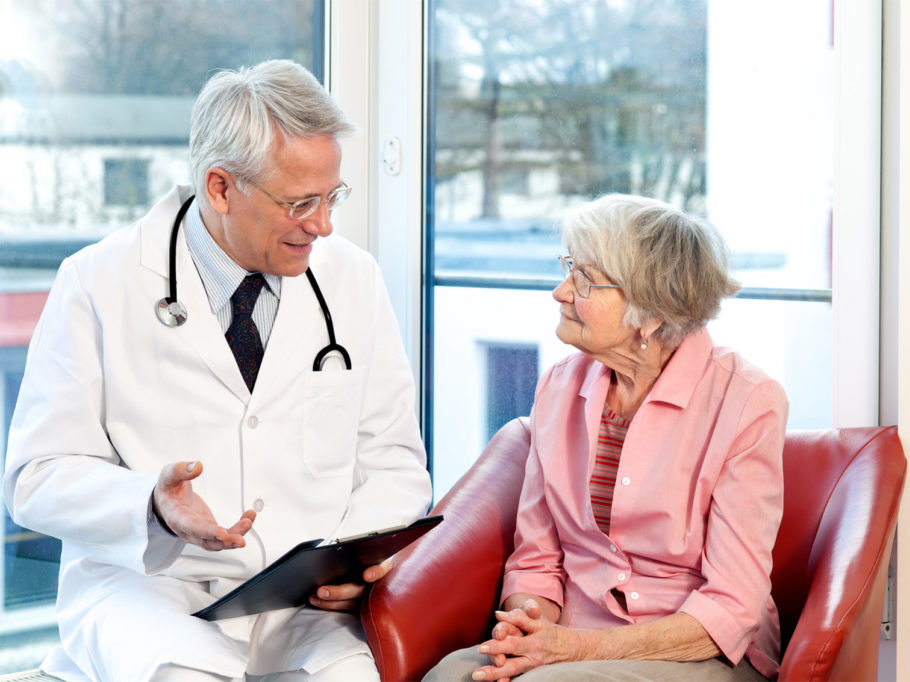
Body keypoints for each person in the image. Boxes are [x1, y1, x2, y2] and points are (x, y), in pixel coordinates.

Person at [2, 60, 432, 681]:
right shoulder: (98, 280)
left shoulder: (352, 278)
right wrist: (151, 503)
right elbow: (34, 479)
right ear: (221, 187)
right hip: (147, 588)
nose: (324, 224)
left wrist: (354, 560)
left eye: (332, 196)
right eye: (300, 202)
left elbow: (391, 457)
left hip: (298, 602)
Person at [425, 194, 788, 681]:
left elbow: (733, 606)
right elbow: (536, 557)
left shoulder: (747, 400)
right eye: (569, 268)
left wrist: (570, 651)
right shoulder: (559, 385)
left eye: (584, 280)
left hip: (694, 651)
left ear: (650, 311)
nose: (559, 291)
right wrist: (529, 629)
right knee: (451, 674)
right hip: (574, 640)